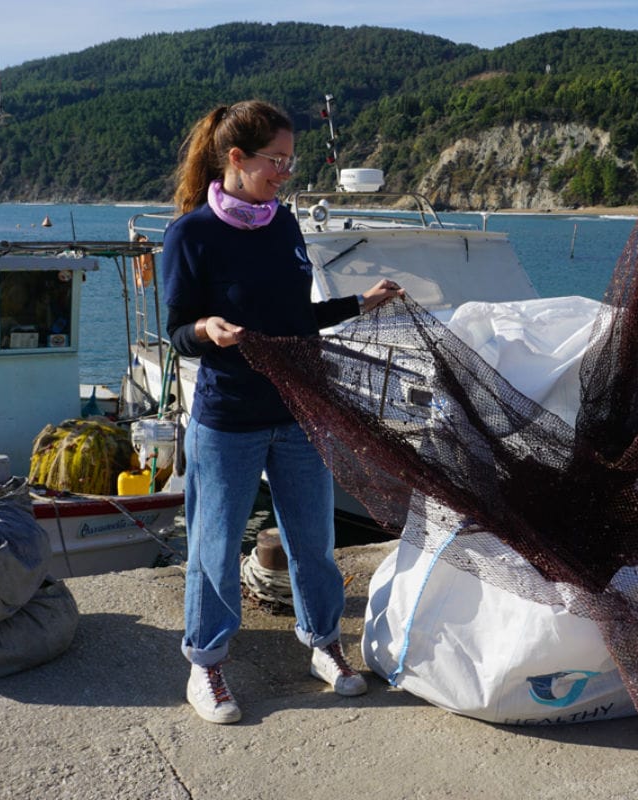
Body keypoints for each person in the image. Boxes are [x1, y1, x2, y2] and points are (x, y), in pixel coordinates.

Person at [162, 99, 404, 724]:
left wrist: (358, 303)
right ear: (236, 159)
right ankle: (206, 663)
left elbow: (296, 322)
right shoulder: (191, 234)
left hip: (298, 414)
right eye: (277, 161)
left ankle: (324, 645)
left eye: (290, 162)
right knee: (213, 547)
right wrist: (206, 330)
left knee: (315, 544)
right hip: (227, 419)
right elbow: (176, 331)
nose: (284, 174)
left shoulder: (285, 224)